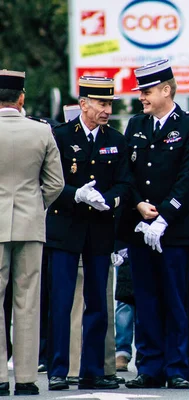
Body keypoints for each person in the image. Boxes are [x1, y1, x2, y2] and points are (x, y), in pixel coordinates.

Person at [118, 59, 189, 390]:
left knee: (176, 300)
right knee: (145, 299)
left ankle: (177, 367)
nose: (142, 98)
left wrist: (163, 216)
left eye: (147, 91)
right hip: (140, 229)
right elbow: (127, 173)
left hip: (174, 230)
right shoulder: (135, 125)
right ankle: (149, 366)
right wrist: (137, 204)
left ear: (166, 90)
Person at [46, 76, 131, 391]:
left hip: (99, 229)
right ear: (83, 104)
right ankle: (58, 369)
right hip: (66, 228)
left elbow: (125, 182)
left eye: (109, 103)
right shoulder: (61, 136)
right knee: (62, 301)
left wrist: (108, 200)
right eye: (101, 103)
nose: (106, 109)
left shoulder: (117, 140)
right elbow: (52, 183)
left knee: (97, 302)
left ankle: (92, 370)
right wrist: (76, 195)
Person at [0, 69, 64, 396]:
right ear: (21, 98)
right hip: (30, 222)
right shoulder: (41, 132)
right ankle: (26, 378)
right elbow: (56, 183)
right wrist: (37, 205)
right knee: (28, 300)